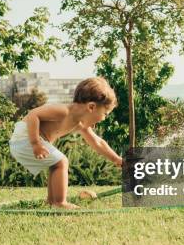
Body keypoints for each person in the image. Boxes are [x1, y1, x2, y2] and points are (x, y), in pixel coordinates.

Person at [9, 77, 123, 209]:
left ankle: (52, 201)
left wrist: (116, 158)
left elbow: (97, 142)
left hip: (24, 142)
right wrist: (35, 143)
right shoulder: (64, 112)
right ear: (91, 107)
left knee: (55, 165)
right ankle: (60, 203)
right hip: (25, 138)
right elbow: (34, 114)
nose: (104, 118)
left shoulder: (80, 124)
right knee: (61, 162)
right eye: (105, 114)